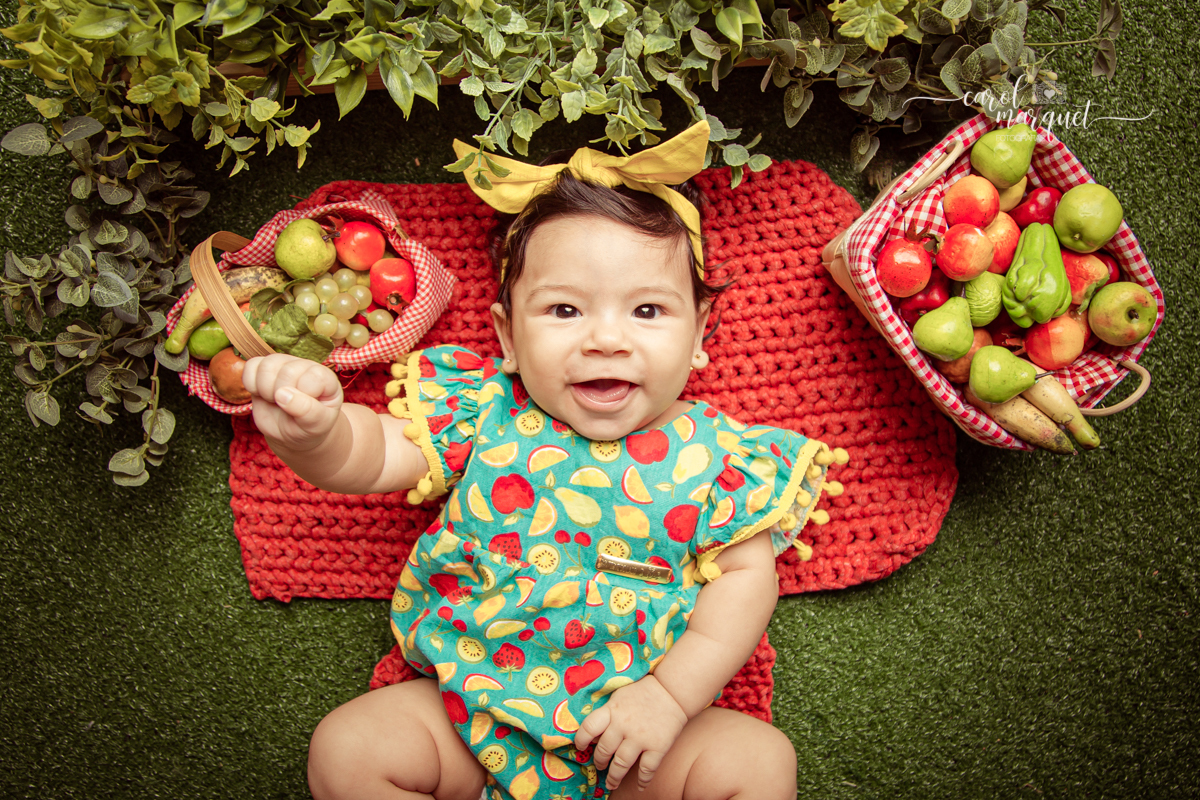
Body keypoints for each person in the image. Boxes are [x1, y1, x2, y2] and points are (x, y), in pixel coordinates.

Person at [242, 121, 846, 800]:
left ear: (700, 335)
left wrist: (671, 699)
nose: (607, 339)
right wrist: (316, 433)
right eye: (564, 310)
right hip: (468, 715)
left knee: (757, 763)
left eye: (648, 310)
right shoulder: (482, 410)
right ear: (506, 334)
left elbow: (745, 582)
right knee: (347, 748)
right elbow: (375, 452)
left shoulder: (721, 458)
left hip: (633, 743)